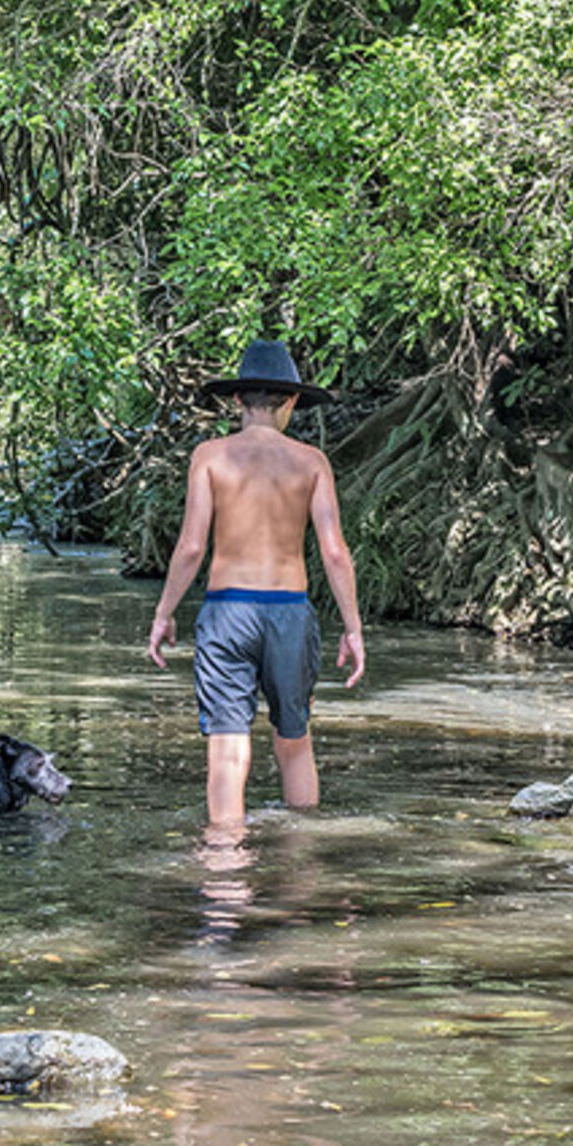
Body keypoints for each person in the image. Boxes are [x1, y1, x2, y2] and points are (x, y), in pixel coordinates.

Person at [146, 339, 366, 834]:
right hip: (289, 610)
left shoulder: (209, 456)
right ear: (290, 402)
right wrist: (353, 629)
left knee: (227, 746)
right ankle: (296, 874)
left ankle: (224, 877)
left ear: (238, 401)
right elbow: (334, 551)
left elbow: (190, 548)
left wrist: (163, 614)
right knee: (294, 741)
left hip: (227, 611)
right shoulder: (312, 462)